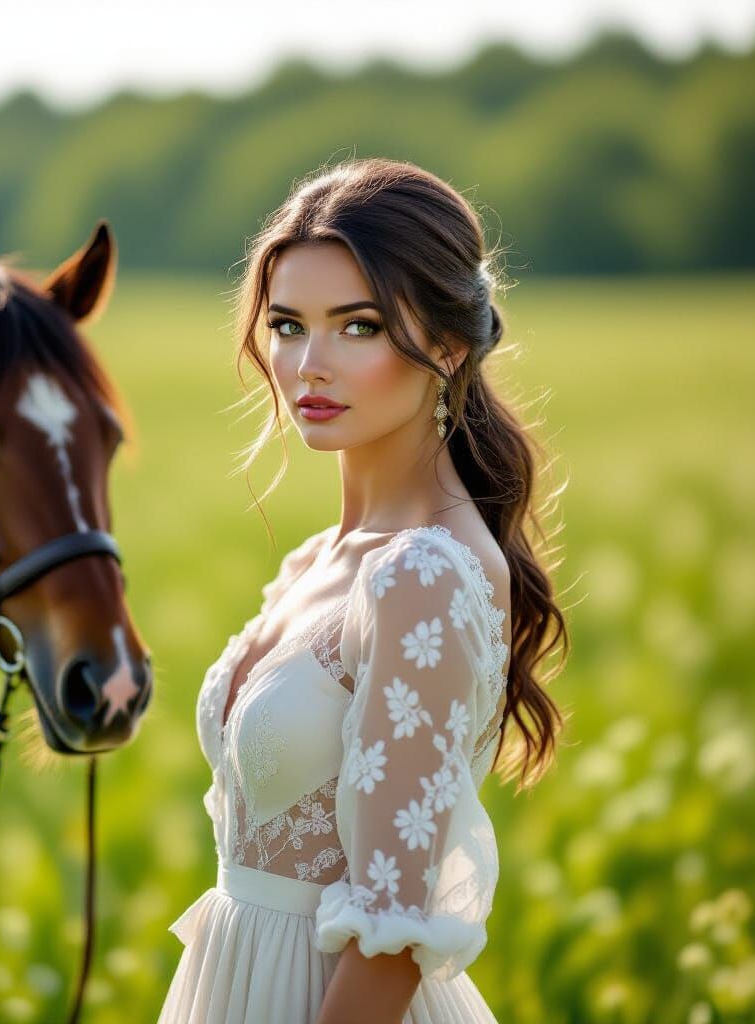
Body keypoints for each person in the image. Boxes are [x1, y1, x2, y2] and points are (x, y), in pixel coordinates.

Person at [158, 157, 569, 1024]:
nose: (308, 364)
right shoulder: (317, 562)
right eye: (286, 324)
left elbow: (395, 933)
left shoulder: (420, 575)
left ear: (450, 345)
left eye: (358, 327)